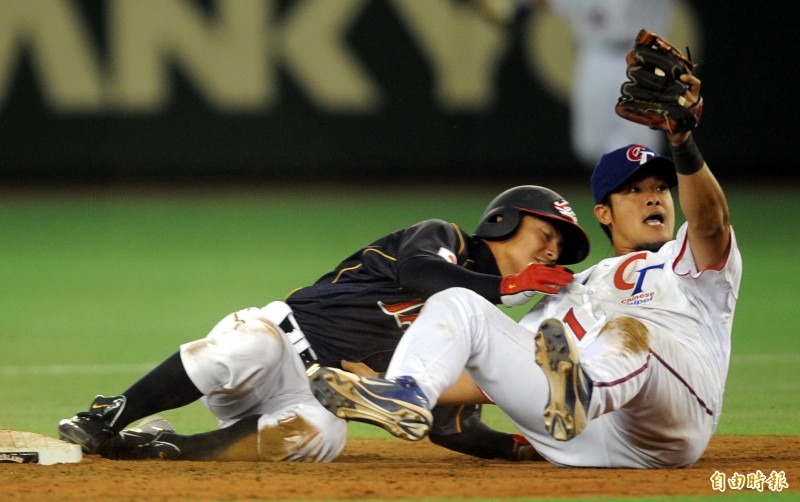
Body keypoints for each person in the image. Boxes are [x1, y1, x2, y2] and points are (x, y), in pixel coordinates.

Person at [309, 69, 743, 468]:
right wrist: (381, 377)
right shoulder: (569, 289)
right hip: (577, 438)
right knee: (460, 303)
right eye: (634, 190)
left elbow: (711, 221)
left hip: (671, 423)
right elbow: (493, 377)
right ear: (604, 214)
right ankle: (407, 392)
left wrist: (683, 143)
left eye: (660, 189)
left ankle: (582, 392)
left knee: (628, 331)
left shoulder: (686, 260)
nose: (653, 198)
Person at [57, 184, 590, 462]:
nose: (550, 251)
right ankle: (108, 416)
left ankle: (162, 450)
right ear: (503, 222)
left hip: (313, 395)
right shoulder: (444, 238)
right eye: (545, 235)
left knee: (321, 435)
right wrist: (506, 287)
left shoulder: (477, 326)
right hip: (280, 342)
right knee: (250, 349)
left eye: (559, 249)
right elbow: (418, 271)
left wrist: (521, 448)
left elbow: (454, 427)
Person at [473, 0, 675, 167]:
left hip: (644, 58)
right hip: (595, 55)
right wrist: (517, 8)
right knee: (589, 145)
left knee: (637, 146)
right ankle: (613, 194)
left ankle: (633, 199)